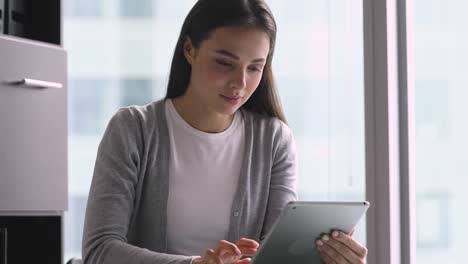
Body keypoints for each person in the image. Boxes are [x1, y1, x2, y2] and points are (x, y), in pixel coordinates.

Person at [82, 0, 368, 263]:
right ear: (190, 50)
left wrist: (325, 257)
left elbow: (274, 257)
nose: (239, 83)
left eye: (255, 68)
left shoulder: (274, 141)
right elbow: (100, 250)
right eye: (224, 63)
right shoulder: (133, 129)